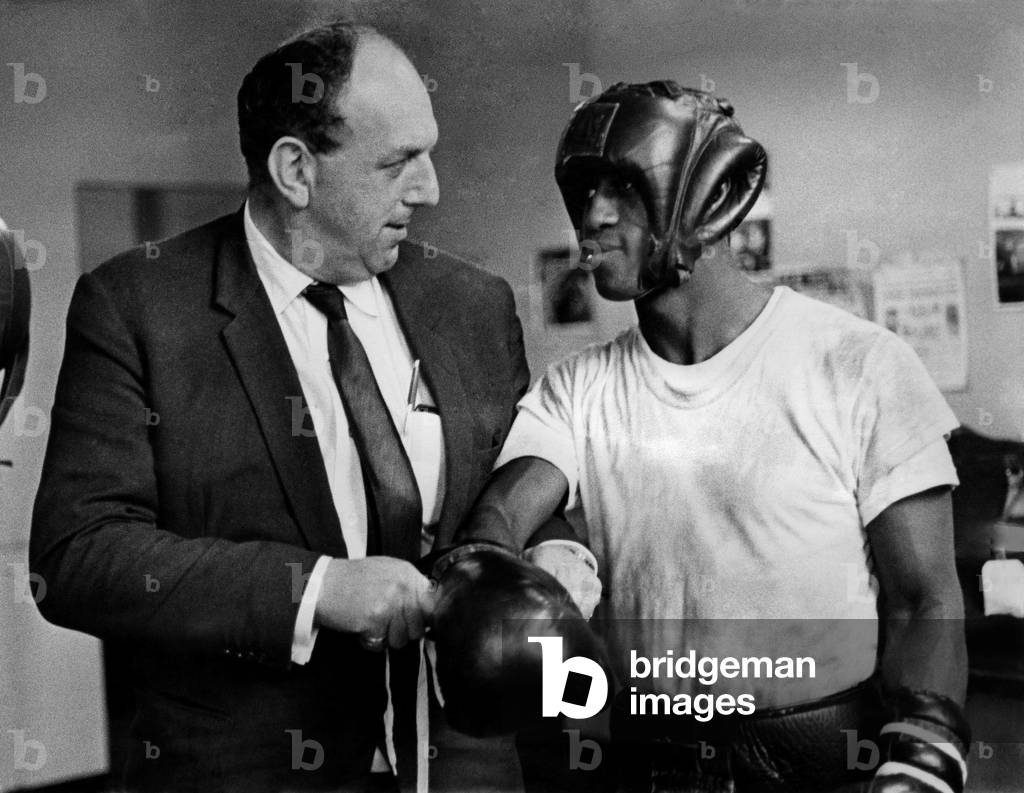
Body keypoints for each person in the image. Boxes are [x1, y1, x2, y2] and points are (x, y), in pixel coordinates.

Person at [31, 21, 580, 793]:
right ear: (295, 169)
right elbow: (78, 555)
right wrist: (317, 589)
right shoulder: (138, 309)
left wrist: (559, 551)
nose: (431, 188)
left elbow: (512, 488)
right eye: (398, 164)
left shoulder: (473, 304)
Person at [459, 82, 970, 793]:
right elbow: (502, 514)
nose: (593, 217)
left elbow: (925, 599)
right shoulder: (575, 391)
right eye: (584, 193)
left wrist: (922, 760)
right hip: (645, 766)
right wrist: (494, 564)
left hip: (822, 767)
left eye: (625, 189)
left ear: (710, 199)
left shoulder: (860, 365)